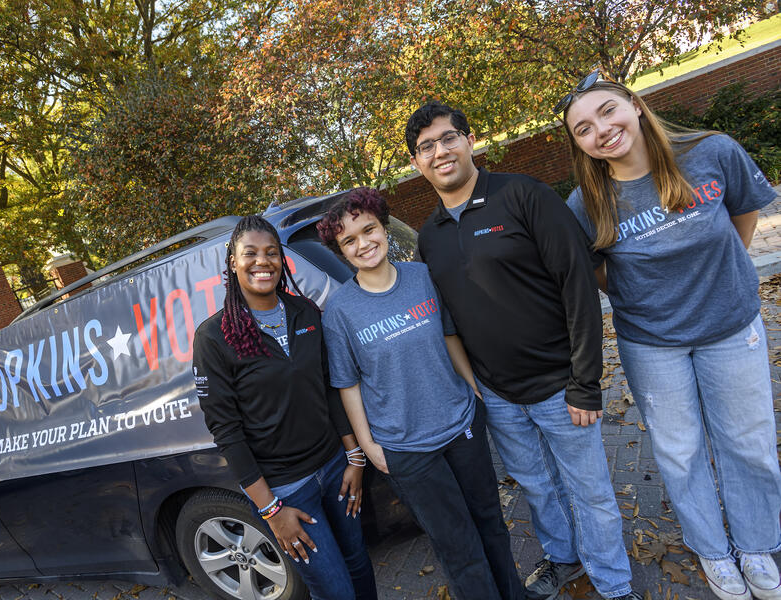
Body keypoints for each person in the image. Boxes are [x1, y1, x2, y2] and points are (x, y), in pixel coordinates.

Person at [558, 72, 781, 600]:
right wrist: (645, 294)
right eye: (584, 129)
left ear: (634, 106)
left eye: (607, 112)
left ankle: (755, 545)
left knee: (748, 445)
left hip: (730, 325)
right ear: (580, 145)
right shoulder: (584, 203)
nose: (602, 131)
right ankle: (713, 550)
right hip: (653, 343)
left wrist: (721, 271)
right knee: (681, 452)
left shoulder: (711, 153)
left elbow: (742, 215)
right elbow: (592, 271)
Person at [405, 101, 640, 600]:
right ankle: (565, 560)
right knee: (538, 489)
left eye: (449, 138)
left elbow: (578, 285)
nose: (440, 152)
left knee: (591, 493)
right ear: (416, 163)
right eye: (427, 147)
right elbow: (448, 319)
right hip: (501, 397)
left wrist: (585, 381)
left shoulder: (523, 195)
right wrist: (478, 388)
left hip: (562, 387)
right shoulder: (429, 236)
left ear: (470, 141)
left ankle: (614, 586)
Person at [316, 188, 525, 600]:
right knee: (457, 544)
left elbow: (449, 335)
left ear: (383, 227)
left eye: (368, 229)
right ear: (340, 251)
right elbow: (347, 383)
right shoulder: (340, 311)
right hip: (407, 447)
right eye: (349, 240)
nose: (363, 244)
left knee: (490, 524)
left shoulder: (422, 277)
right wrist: (368, 445)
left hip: (460, 423)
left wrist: (474, 390)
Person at [191, 215, 377, 600]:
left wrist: (354, 457)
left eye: (271, 253)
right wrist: (272, 512)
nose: (263, 261)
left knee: (359, 563)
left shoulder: (304, 313)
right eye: (251, 253)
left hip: (336, 468)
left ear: (282, 260)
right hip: (288, 490)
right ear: (232, 262)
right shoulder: (213, 337)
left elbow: (328, 388)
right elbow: (227, 433)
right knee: (335, 589)